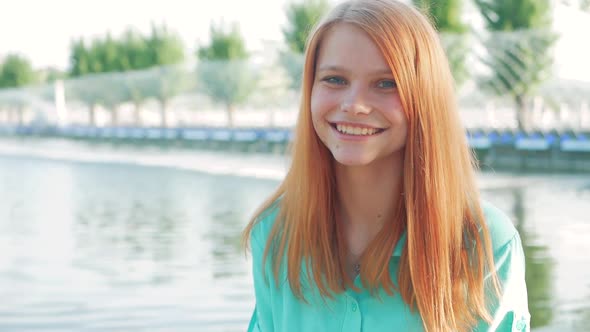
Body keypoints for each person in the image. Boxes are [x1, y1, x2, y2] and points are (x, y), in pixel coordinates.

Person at [242, 0, 530, 331]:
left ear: (425, 98)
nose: (354, 105)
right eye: (335, 79)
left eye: (386, 83)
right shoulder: (275, 233)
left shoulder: (484, 245)